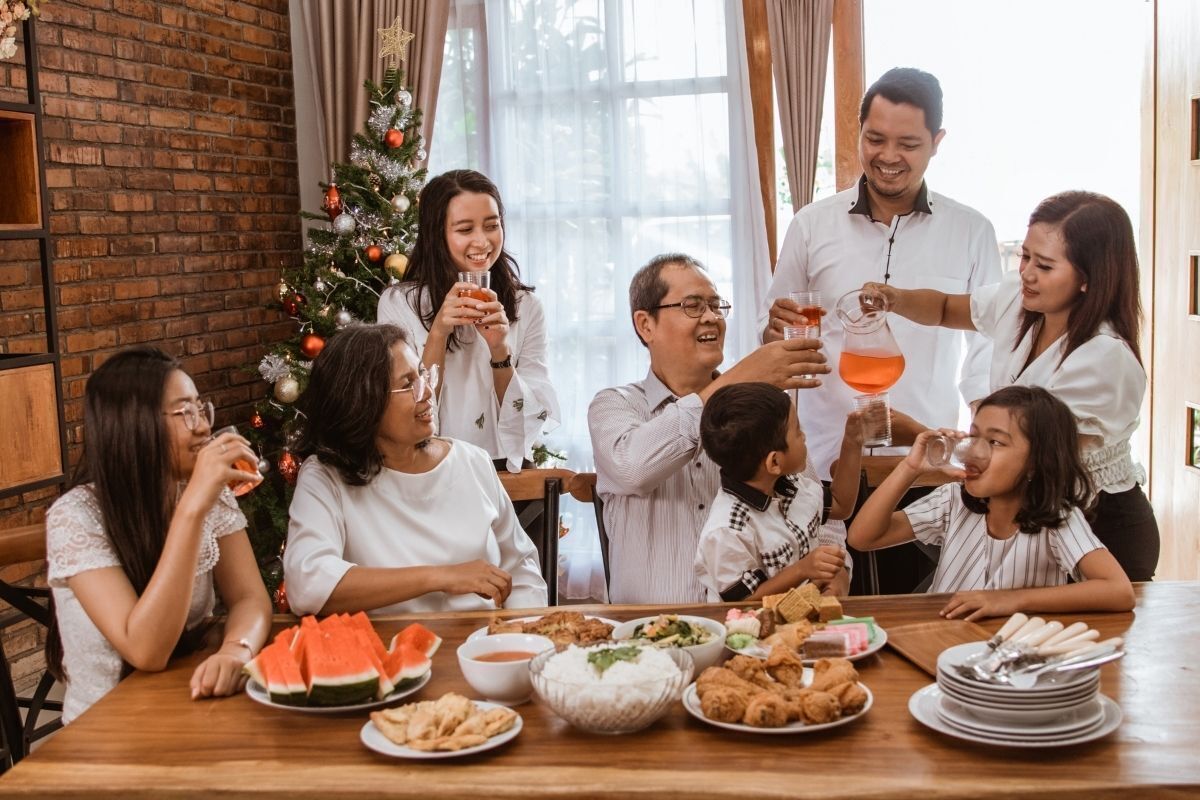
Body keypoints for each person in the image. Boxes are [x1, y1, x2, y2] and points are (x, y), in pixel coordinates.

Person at [861, 191, 1158, 581]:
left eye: (1045, 266)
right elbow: (946, 308)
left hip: (1096, 525)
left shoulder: (1104, 358)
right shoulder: (1019, 303)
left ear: (1088, 279)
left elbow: (1030, 457)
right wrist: (895, 299)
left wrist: (919, 436)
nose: (1027, 274)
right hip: (1032, 510)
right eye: (1025, 256)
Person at [760, 67, 1002, 478]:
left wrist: (987, 445)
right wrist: (773, 331)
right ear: (859, 133)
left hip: (925, 466)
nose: (888, 156)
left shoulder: (971, 231)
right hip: (822, 463)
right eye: (875, 139)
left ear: (936, 143)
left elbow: (987, 352)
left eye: (908, 144)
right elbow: (771, 335)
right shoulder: (810, 225)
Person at [588, 253, 835, 604]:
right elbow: (633, 469)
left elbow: (818, 517)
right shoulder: (615, 405)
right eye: (693, 305)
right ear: (646, 325)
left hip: (759, 632)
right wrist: (740, 378)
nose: (711, 317)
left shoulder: (757, 409)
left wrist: (836, 576)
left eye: (716, 305)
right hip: (653, 636)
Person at [45, 347, 272, 724]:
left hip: (190, 706)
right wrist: (191, 509)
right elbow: (146, 651)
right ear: (134, 424)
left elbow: (250, 596)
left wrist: (236, 650)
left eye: (201, 408)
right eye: (185, 412)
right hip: (106, 730)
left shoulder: (205, 497)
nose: (202, 426)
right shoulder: (75, 516)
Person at [283, 323, 548, 616]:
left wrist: (519, 637)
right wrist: (441, 577)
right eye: (408, 383)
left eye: (423, 374)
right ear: (362, 401)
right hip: (384, 655)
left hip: (482, 646)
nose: (427, 392)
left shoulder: (473, 462)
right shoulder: (323, 477)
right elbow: (306, 585)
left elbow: (521, 568)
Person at [848, 386, 1135, 621]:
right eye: (974, 437)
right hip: (938, 641)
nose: (975, 452)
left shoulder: (1057, 519)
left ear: (1037, 462)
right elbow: (862, 537)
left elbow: (1119, 591)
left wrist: (1010, 600)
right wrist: (911, 468)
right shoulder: (953, 501)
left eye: (996, 443)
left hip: (1010, 659)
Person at [377, 169, 559, 473]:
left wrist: (500, 350)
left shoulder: (525, 307)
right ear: (437, 234)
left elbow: (530, 419)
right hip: (430, 469)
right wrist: (438, 333)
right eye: (464, 229)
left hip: (506, 473)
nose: (482, 241)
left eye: (492, 225)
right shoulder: (400, 303)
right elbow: (402, 410)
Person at [694, 382, 862, 602]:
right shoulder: (728, 530)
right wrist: (803, 569)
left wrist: (853, 442)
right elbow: (743, 601)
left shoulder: (793, 485)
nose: (804, 437)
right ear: (774, 461)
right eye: (797, 432)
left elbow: (841, 505)